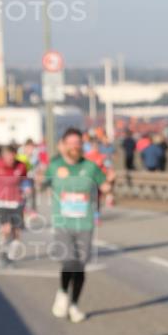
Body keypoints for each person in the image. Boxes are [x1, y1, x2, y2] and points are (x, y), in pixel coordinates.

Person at [43, 128, 110, 323]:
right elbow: (43, 183)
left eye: (78, 143)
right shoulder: (55, 166)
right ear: (63, 145)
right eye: (70, 143)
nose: (75, 146)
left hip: (85, 223)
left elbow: (105, 186)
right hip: (63, 223)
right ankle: (63, 292)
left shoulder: (90, 167)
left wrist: (110, 183)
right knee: (69, 261)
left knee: (80, 266)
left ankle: (74, 305)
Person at [0, 145, 28, 267]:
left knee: (17, 231)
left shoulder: (21, 166)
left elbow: (26, 179)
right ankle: (4, 253)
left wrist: (27, 187)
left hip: (17, 201)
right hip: (2, 201)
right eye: (8, 156)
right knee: (6, 228)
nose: (10, 159)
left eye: (13, 156)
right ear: (3, 156)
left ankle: (10, 256)